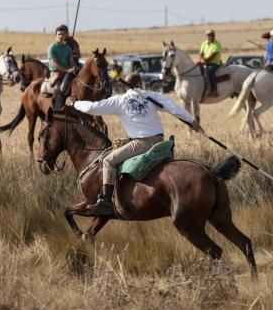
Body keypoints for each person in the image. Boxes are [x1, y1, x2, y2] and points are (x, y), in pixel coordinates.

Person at [67, 89, 202, 216]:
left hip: (141, 143)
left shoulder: (120, 101)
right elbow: (172, 106)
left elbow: (92, 108)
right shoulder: (149, 95)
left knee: (108, 160)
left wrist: (74, 103)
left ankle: (106, 202)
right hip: (160, 141)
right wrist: (191, 121)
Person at [42, 24, 78, 109]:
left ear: (65, 35)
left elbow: (71, 61)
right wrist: (66, 70)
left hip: (68, 73)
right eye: (59, 34)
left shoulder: (68, 48)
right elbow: (54, 63)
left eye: (62, 34)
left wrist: (73, 67)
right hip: (55, 73)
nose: (61, 36)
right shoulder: (52, 48)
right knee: (59, 88)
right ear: (56, 35)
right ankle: (56, 109)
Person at [199, 29, 222, 95]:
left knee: (210, 71)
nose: (211, 37)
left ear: (214, 36)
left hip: (214, 63)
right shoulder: (204, 43)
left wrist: (204, 60)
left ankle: (214, 89)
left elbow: (213, 55)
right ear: (206, 36)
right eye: (209, 35)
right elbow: (201, 53)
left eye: (212, 35)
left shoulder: (217, 44)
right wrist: (201, 60)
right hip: (205, 62)